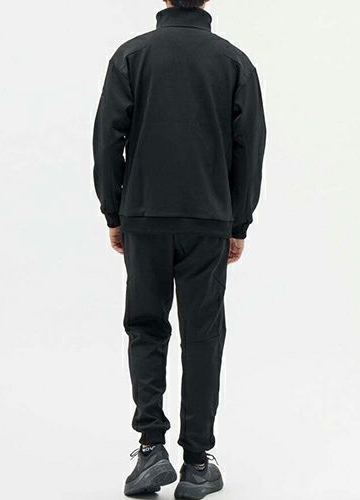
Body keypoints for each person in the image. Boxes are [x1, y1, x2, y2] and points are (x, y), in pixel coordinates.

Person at [93, 0, 266, 497]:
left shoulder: (131, 56)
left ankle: (151, 449)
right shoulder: (234, 62)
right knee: (203, 336)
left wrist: (114, 212)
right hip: (209, 219)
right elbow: (250, 147)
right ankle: (196, 463)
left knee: (146, 327)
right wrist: (238, 221)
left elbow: (107, 139)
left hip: (144, 215)